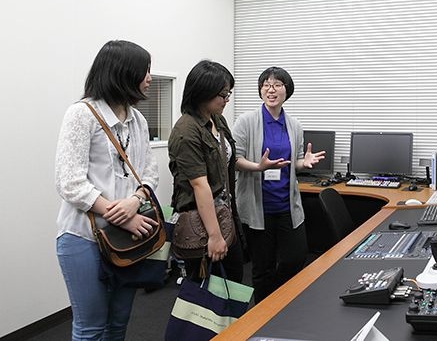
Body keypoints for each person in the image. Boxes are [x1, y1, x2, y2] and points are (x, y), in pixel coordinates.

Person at [55, 40, 159, 341]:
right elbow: (69, 181)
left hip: (128, 237)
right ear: (123, 73)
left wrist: (135, 200)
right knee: (90, 328)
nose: (149, 78)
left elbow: (149, 172)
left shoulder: (137, 119)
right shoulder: (81, 114)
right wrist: (122, 216)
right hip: (83, 237)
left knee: (118, 323)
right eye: (144, 70)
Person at [233, 66, 325, 303]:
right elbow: (234, 160)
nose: (271, 90)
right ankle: (264, 311)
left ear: (287, 90)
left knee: (295, 257)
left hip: (287, 205)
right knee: (262, 266)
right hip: (259, 206)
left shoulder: (294, 125)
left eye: (277, 85)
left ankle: (278, 299)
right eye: (266, 85)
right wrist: (259, 167)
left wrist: (304, 163)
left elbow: (293, 163)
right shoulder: (246, 121)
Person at [168, 60, 244, 283]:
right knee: (206, 289)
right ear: (204, 92)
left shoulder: (217, 120)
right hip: (201, 222)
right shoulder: (186, 131)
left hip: (224, 213)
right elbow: (199, 185)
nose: (227, 100)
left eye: (228, 94)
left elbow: (226, 161)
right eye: (223, 95)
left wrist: (260, 167)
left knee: (233, 281)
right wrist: (214, 235)